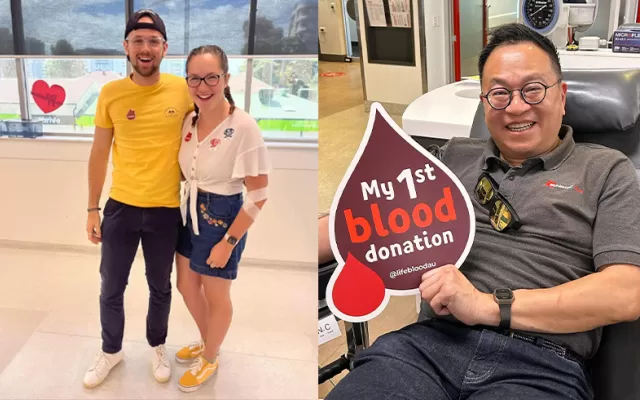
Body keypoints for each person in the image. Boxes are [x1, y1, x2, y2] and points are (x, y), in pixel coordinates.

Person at [325, 23, 640, 400]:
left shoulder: (608, 170)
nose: (517, 106)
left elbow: (625, 292)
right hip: (425, 348)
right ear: (484, 101)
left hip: (541, 366)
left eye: (533, 89)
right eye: (499, 93)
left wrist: (485, 306)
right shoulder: (452, 157)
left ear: (562, 96)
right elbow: (358, 223)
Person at [83, 9, 194, 388]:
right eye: (138, 41)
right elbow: (99, 153)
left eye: (153, 41)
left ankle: (157, 345)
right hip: (120, 208)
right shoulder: (111, 94)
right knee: (111, 286)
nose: (145, 49)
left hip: (165, 209)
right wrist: (91, 208)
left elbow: (207, 133)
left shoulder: (183, 90)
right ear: (126, 47)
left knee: (160, 286)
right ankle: (111, 351)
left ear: (164, 48)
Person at [172, 45, 271, 392]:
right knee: (186, 285)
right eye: (195, 78)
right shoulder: (189, 120)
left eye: (211, 77)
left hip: (222, 216)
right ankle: (209, 339)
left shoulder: (243, 126)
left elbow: (259, 194)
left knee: (216, 296)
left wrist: (229, 242)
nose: (203, 86)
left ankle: (210, 357)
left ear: (226, 78)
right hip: (190, 211)